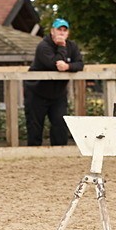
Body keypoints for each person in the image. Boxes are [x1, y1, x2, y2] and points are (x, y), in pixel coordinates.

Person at [24, 18, 85, 146]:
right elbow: (54, 65)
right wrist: (61, 47)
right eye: (59, 29)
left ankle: (60, 154)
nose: (62, 33)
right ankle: (33, 156)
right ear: (52, 31)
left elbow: (80, 64)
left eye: (64, 30)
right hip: (37, 91)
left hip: (58, 93)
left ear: (68, 33)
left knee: (60, 124)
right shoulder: (43, 46)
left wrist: (68, 67)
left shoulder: (72, 46)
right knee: (35, 127)